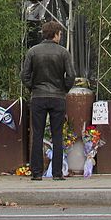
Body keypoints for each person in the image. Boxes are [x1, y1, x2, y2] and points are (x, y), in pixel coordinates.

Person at [20, 20, 76, 181]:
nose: (61, 37)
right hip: (58, 97)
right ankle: (57, 173)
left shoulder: (33, 51)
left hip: (38, 96)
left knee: (37, 134)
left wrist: (33, 88)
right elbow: (71, 75)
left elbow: (25, 75)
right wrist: (63, 89)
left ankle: (36, 173)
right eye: (60, 34)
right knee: (57, 134)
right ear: (56, 34)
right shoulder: (63, 53)